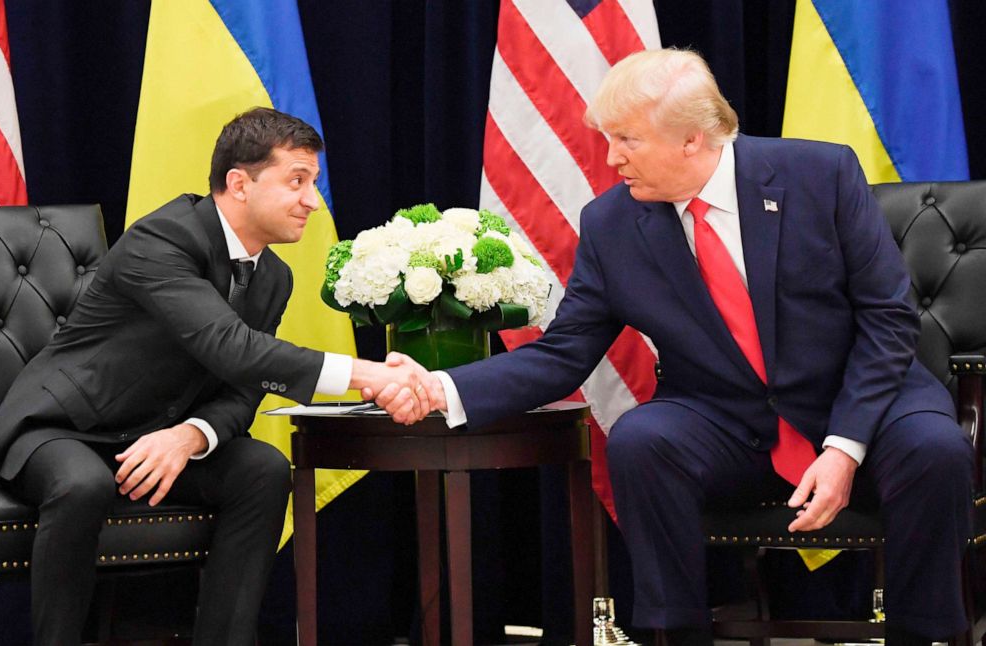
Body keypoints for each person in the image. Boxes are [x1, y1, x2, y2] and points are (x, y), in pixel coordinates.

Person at [383, 50, 974, 645]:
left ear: (693, 138)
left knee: (936, 448)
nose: (611, 158)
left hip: (863, 405)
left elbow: (888, 319)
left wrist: (844, 447)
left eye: (627, 140)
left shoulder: (820, 175)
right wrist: (443, 387)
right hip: (726, 422)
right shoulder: (612, 224)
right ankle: (675, 635)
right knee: (643, 441)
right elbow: (563, 352)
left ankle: (921, 635)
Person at [0, 107, 428, 646]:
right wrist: (366, 374)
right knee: (83, 484)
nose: (312, 201)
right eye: (297, 180)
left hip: (157, 433)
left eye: (313, 183)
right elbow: (230, 345)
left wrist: (191, 435)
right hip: (60, 425)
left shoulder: (273, 277)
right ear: (239, 183)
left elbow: (244, 388)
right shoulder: (161, 238)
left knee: (263, 468)